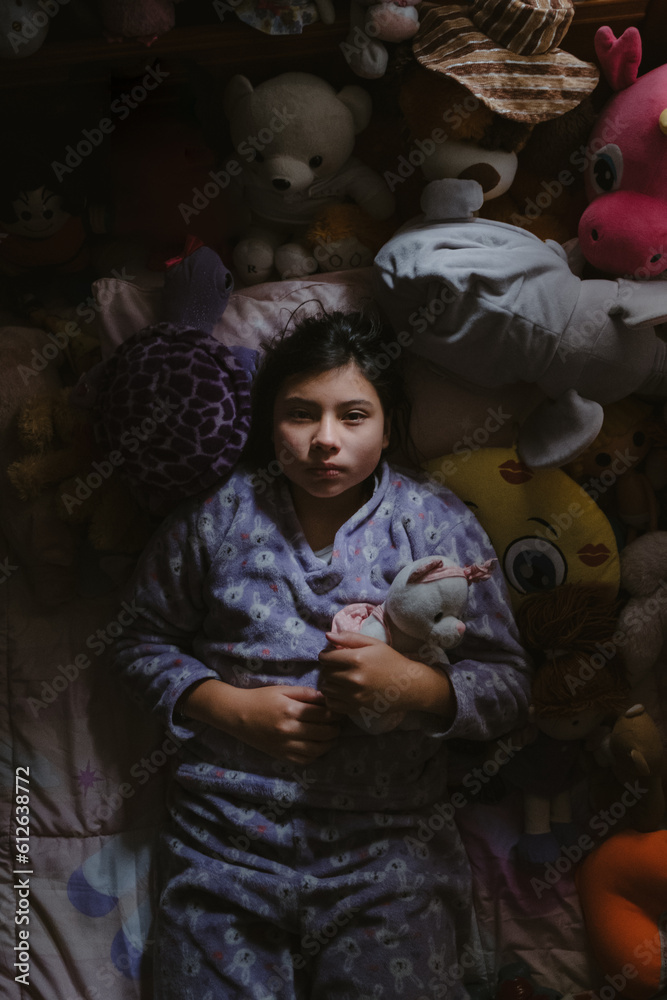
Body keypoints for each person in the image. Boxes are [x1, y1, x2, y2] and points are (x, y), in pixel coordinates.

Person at [110, 309, 532, 1000]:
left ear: (388, 428)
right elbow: (134, 640)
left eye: (353, 415)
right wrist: (229, 707)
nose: (325, 440)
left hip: (388, 857)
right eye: (300, 414)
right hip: (223, 852)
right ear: (269, 423)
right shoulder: (218, 517)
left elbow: (509, 685)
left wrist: (417, 688)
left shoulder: (434, 523)